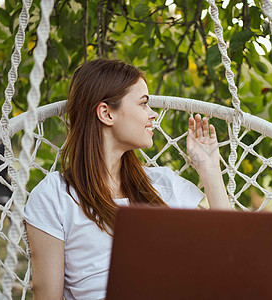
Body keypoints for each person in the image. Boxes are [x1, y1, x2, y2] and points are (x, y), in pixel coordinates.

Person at [24, 59, 231, 300]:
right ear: (106, 113)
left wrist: (210, 169)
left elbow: (229, 250)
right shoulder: (55, 195)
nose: (153, 115)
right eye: (143, 104)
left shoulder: (162, 183)